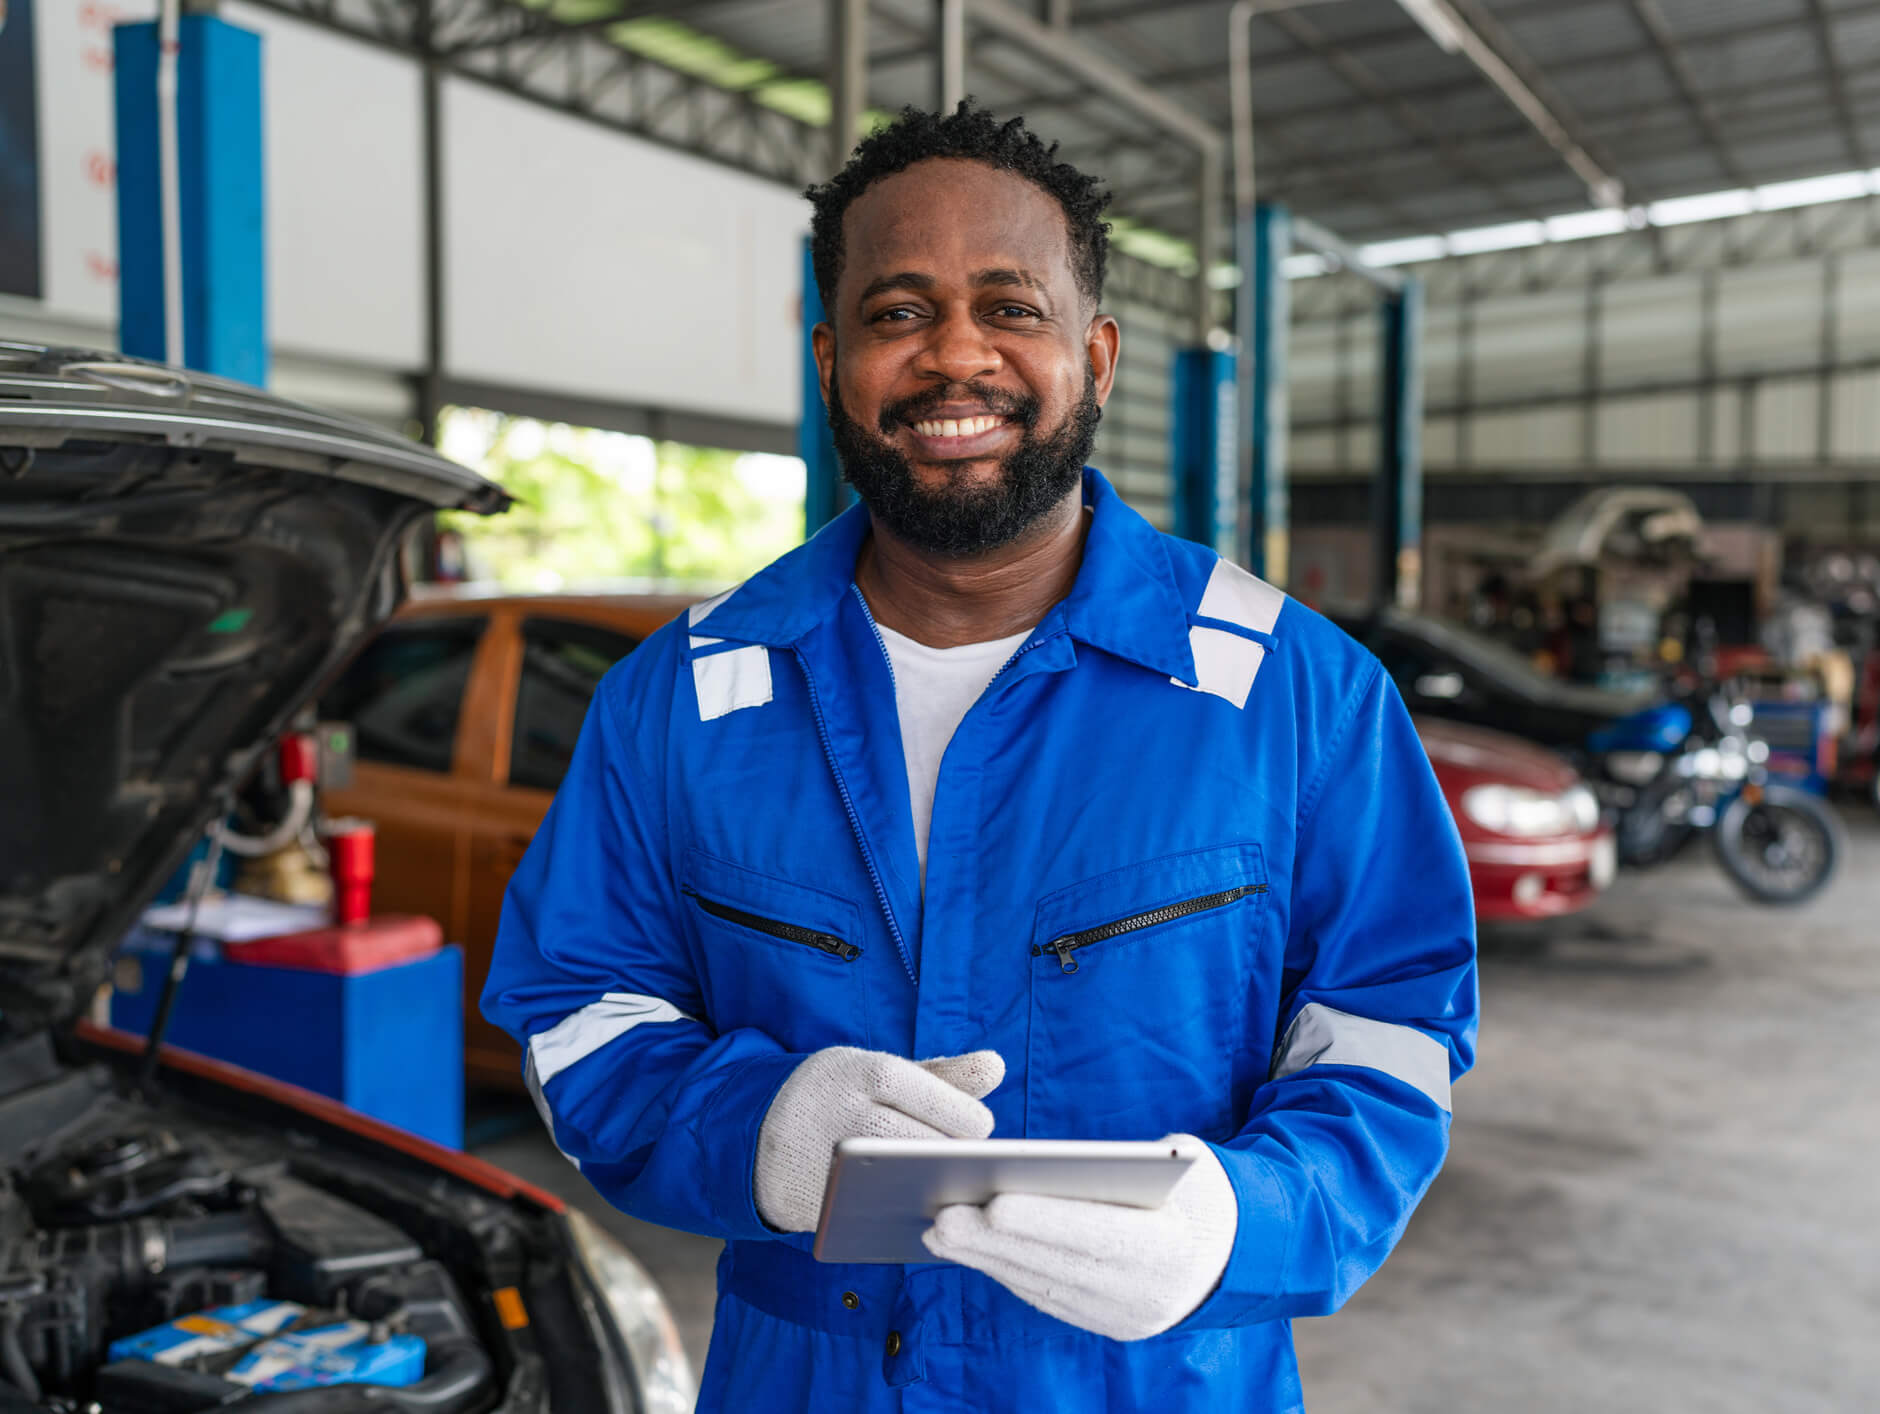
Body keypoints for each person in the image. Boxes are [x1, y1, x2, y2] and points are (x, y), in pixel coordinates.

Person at [482, 103, 1477, 1413]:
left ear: (1097, 355)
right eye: (900, 313)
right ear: (833, 360)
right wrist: (761, 1131)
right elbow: (579, 1016)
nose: (958, 355)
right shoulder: (680, 704)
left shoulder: (1291, 692)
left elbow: (1390, 1038)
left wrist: (1239, 1220)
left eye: (1011, 307)